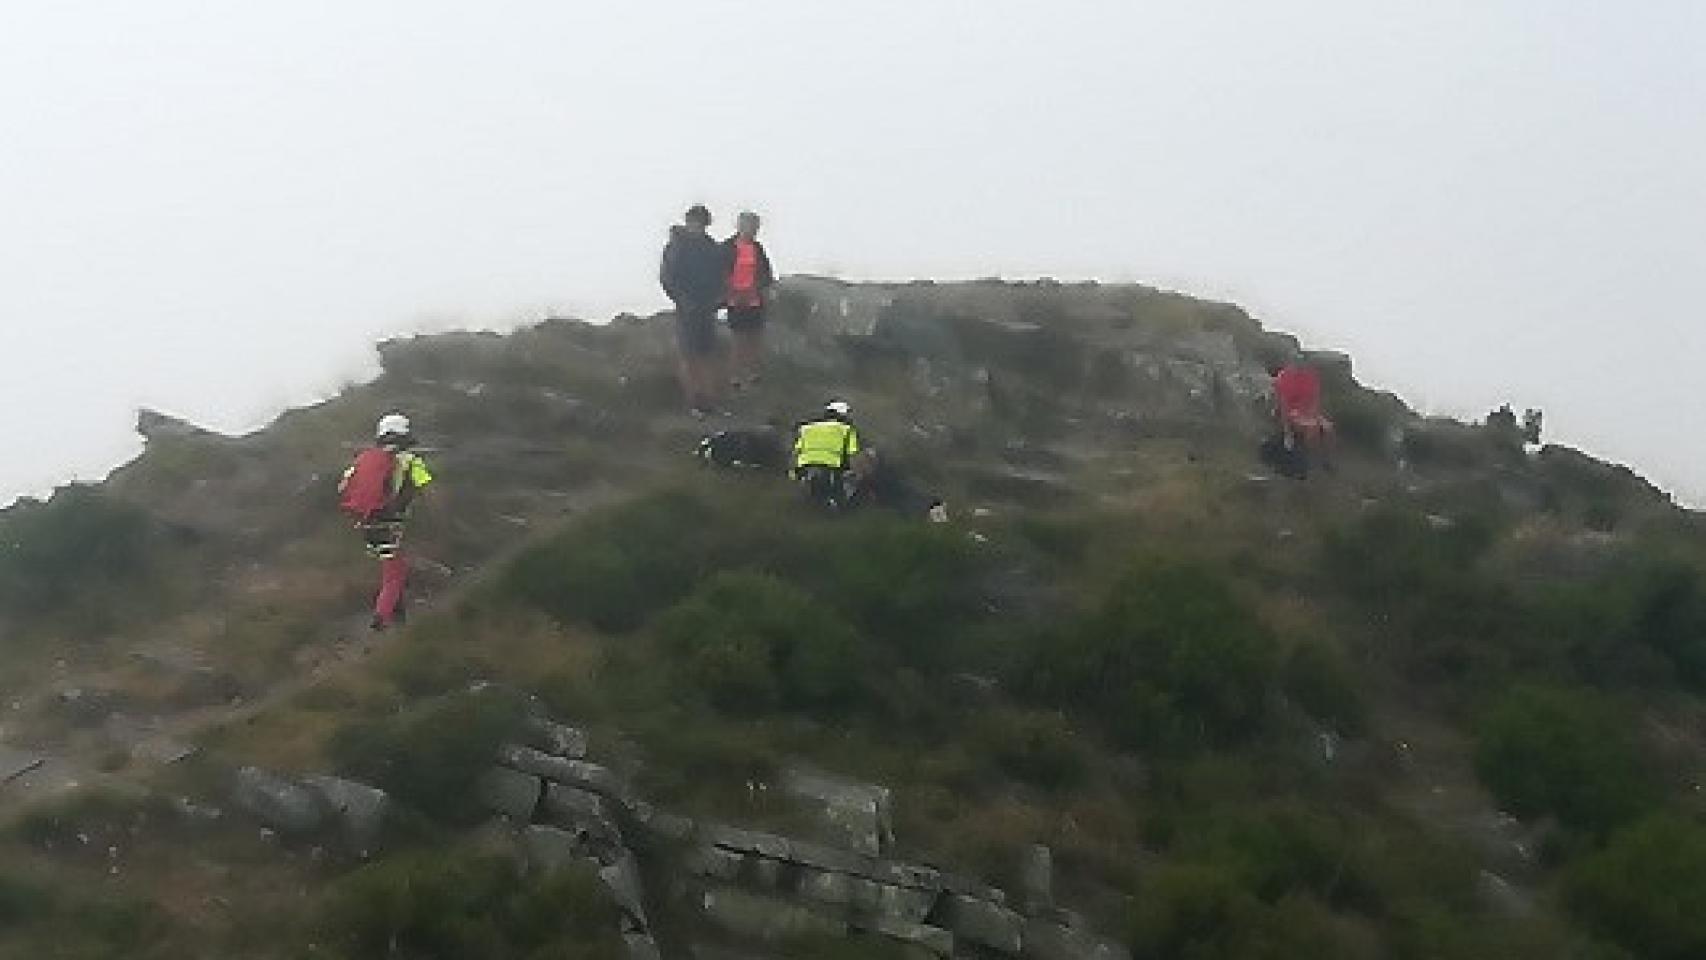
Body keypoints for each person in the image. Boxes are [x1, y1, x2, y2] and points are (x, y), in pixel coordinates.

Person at [338, 413, 434, 631]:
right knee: (395, 575)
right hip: (392, 525)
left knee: (392, 567)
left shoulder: (363, 459)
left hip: (367, 524)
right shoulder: (410, 461)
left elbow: (342, 487)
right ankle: (381, 619)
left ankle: (397, 614)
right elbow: (427, 487)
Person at [659, 204, 730, 416]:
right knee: (690, 356)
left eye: (701, 222)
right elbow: (668, 278)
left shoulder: (711, 247)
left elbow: (721, 274)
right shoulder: (676, 246)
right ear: (688, 221)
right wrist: (682, 300)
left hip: (707, 307)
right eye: (694, 221)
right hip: (687, 308)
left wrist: (720, 298)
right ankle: (694, 402)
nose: (697, 225)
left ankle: (709, 401)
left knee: (707, 355)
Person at [722, 211, 776, 389]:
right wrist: (729, 292)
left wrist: (759, 288)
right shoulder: (727, 247)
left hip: (755, 299)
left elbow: (767, 274)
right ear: (739, 226)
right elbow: (720, 272)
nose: (752, 230)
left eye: (754, 227)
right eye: (747, 225)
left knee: (754, 339)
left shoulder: (758, 248)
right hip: (735, 300)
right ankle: (735, 376)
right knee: (738, 340)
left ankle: (753, 374)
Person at [792, 400, 863, 511]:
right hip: (830, 465)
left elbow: (797, 450)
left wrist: (793, 471)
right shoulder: (847, 430)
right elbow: (852, 453)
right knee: (840, 493)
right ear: (842, 415)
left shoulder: (806, 428)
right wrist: (855, 472)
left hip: (804, 465)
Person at [1269, 360, 1335, 475]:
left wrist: (1312, 415)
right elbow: (1283, 406)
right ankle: (1303, 460)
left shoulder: (1311, 377)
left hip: (1304, 411)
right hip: (1291, 411)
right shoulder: (1284, 379)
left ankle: (1325, 460)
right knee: (1308, 430)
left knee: (1328, 428)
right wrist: (1287, 433)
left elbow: (1314, 400)